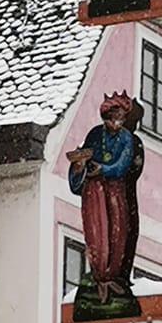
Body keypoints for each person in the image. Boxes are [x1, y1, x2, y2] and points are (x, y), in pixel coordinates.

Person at [66, 93, 143, 299]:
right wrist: (79, 165)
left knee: (116, 229)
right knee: (96, 229)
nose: (116, 121)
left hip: (114, 189)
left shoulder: (126, 138)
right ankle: (100, 274)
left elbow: (123, 163)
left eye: (119, 117)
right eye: (112, 117)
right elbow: (82, 157)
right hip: (94, 188)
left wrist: (104, 169)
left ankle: (112, 275)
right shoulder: (95, 134)